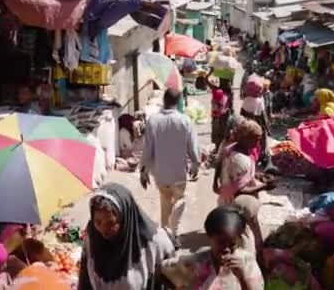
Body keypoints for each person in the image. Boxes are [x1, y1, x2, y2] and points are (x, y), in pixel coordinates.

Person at [78, 184, 175, 290]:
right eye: (98, 222)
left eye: (111, 223)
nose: (103, 230)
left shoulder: (156, 244)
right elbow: (85, 280)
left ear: (125, 219)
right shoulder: (93, 237)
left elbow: (172, 281)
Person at [140, 88, 200, 247]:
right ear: (179, 102)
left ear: (164, 101)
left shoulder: (153, 120)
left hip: (160, 173)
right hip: (178, 173)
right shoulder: (184, 120)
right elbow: (193, 146)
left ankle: (166, 234)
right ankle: (174, 233)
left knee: (165, 202)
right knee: (179, 200)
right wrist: (195, 164)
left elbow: (147, 149)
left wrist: (144, 171)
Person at [161, 206, 264, 289]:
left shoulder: (247, 263)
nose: (226, 249)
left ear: (239, 240)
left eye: (232, 244)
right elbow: (162, 271)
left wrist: (242, 278)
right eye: (220, 243)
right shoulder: (193, 263)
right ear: (209, 237)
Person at [216, 120, 275, 205]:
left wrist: (257, 175)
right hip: (235, 204)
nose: (258, 144)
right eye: (256, 139)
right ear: (246, 139)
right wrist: (264, 186)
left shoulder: (229, 148)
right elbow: (240, 191)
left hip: (225, 197)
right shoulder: (240, 160)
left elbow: (230, 171)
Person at [211, 88, 231, 154]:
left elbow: (215, 110)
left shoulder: (215, 101)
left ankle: (218, 149)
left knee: (218, 135)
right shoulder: (225, 97)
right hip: (222, 118)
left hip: (218, 119)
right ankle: (218, 149)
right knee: (221, 135)